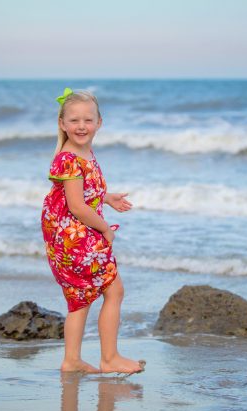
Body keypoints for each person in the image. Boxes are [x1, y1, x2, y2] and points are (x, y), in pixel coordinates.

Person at [41, 87, 146, 376]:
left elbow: (83, 193)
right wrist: (105, 230)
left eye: (88, 120)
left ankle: (72, 360)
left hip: (70, 233)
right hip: (75, 234)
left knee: (80, 297)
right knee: (113, 290)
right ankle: (109, 358)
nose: (81, 126)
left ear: (99, 122)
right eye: (74, 120)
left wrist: (106, 197)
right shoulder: (68, 158)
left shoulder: (84, 151)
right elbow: (76, 206)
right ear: (62, 124)